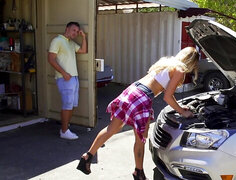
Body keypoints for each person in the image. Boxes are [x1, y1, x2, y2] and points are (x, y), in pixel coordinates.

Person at [77, 47, 199, 179]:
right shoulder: (180, 70)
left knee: (112, 128)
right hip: (141, 98)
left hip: (131, 90)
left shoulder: (167, 62)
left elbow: (163, 88)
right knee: (140, 139)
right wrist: (183, 112)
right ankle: (138, 173)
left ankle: (87, 156)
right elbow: (167, 97)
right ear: (192, 63)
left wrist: (180, 106)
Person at [48, 22, 87, 140]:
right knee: (67, 104)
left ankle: (65, 127)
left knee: (73, 104)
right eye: (73, 30)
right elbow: (51, 59)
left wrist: (84, 37)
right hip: (64, 78)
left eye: (77, 31)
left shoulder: (70, 43)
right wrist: (64, 73)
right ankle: (64, 131)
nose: (75, 33)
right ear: (67, 29)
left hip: (74, 78)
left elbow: (83, 50)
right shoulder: (57, 40)